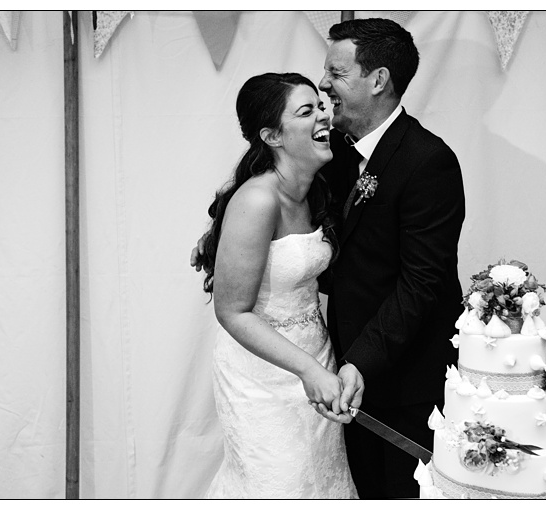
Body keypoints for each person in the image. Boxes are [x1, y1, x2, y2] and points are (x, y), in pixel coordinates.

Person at [318, 18, 466, 499]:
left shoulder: (428, 161)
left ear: (378, 79)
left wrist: (360, 361)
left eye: (336, 74)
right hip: (348, 378)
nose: (324, 85)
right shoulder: (336, 151)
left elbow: (421, 283)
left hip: (406, 384)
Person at [191, 73, 357, 498]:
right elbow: (231, 311)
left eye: (321, 105)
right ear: (272, 135)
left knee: (321, 484)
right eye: (307, 111)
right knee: (278, 485)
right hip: (262, 375)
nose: (324, 114)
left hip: (318, 357)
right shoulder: (258, 200)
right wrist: (307, 369)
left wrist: (318, 367)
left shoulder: (317, 185)